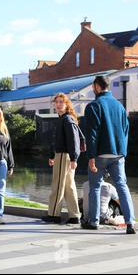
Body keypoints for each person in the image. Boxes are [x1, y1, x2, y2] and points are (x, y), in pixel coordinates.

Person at [83, 75, 136, 234]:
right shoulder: (120, 107)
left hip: (99, 154)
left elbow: (91, 134)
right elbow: (126, 130)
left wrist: (91, 157)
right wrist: (123, 152)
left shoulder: (93, 106)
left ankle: (94, 221)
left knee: (95, 187)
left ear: (96, 87)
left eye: (93, 87)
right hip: (118, 154)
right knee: (122, 186)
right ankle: (130, 223)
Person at [42, 93, 81, 224]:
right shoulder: (63, 119)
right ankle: (75, 216)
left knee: (57, 186)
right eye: (56, 102)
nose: (58, 104)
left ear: (66, 104)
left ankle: (54, 215)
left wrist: (74, 158)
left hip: (65, 156)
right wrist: (52, 155)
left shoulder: (67, 119)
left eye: (61, 102)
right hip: (62, 155)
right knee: (69, 186)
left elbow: (73, 140)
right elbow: (57, 140)